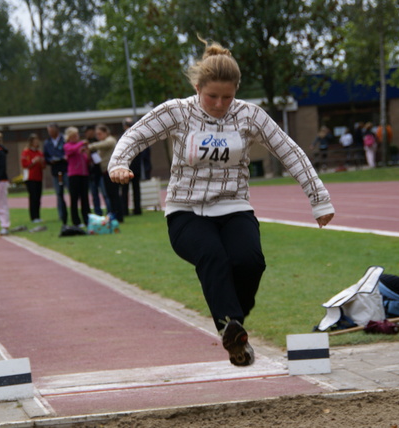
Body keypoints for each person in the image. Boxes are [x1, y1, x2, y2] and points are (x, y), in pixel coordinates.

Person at [108, 39, 334, 367]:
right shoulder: (177, 112)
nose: (219, 104)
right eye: (212, 96)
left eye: (227, 97)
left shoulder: (248, 115)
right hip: (185, 212)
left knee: (250, 261)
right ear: (197, 87)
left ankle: (234, 326)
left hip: (233, 207)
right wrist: (119, 162)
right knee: (212, 256)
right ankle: (231, 327)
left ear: (236, 91)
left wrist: (319, 199)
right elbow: (135, 135)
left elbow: (289, 150)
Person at [89, 124, 123, 222]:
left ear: (105, 132)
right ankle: (114, 214)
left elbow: (102, 145)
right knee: (110, 194)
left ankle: (118, 216)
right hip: (105, 171)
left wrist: (89, 146)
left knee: (114, 194)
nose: (98, 136)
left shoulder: (110, 140)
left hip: (111, 171)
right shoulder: (103, 142)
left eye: (99, 134)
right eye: (97, 134)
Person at [64, 126, 91, 227]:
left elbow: (86, 160)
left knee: (85, 198)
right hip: (74, 175)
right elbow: (71, 150)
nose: (77, 137)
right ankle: (76, 221)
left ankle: (87, 219)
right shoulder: (67, 146)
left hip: (84, 175)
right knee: (74, 199)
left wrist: (87, 153)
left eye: (77, 135)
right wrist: (81, 144)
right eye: (74, 136)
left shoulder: (79, 147)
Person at [43, 122, 68, 225]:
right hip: (55, 171)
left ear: (56, 130)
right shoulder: (47, 142)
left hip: (66, 169)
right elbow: (46, 156)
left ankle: (74, 213)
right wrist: (50, 160)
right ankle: (61, 214)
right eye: (48, 131)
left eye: (51, 130)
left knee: (72, 192)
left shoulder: (65, 139)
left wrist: (62, 157)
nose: (49, 133)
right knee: (59, 193)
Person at [84, 125, 110, 216]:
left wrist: (90, 147)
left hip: (100, 171)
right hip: (91, 172)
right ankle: (98, 213)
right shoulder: (85, 143)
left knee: (105, 193)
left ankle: (109, 211)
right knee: (94, 195)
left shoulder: (98, 142)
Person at [21, 133, 45, 223]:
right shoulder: (26, 152)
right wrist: (33, 161)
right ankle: (33, 217)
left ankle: (38, 216)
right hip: (30, 178)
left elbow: (43, 166)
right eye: (35, 141)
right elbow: (24, 164)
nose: (36, 143)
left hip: (39, 177)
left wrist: (41, 161)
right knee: (33, 197)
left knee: (38, 197)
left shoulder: (39, 152)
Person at [120, 118, 142, 216]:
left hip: (126, 167)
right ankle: (137, 209)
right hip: (136, 166)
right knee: (136, 190)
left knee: (125, 190)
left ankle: (125, 210)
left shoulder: (123, 137)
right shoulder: (137, 136)